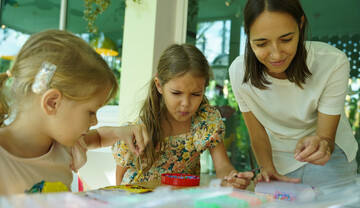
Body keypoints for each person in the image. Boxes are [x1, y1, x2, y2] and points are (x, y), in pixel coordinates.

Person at [0, 30, 149, 195]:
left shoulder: (64, 146)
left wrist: (120, 131)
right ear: (52, 103)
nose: (94, 122)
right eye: (91, 112)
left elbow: (98, 137)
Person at [229, 0, 358, 187]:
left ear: (301, 24)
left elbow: (326, 138)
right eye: (261, 43)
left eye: (286, 39)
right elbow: (257, 134)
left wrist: (322, 145)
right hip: (276, 157)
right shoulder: (238, 73)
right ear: (248, 34)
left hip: (329, 156)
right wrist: (267, 167)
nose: (276, 55)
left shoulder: (333, 62)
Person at [112, 43, 254, 189]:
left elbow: (223, 167)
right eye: (176, 93)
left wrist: (232, 178)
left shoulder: (205, 122)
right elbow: (119, 177)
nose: (186, 103)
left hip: (180, 204)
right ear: (159, 86)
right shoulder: (137, 131)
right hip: (137, 202)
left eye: (195, 94)